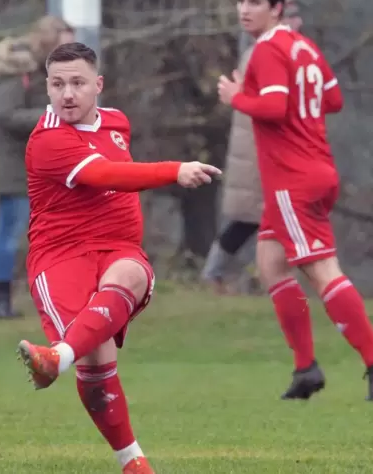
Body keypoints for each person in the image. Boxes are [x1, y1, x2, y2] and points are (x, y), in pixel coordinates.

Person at [16, 42, 221, 474]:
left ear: (98, 85)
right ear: (47, 89)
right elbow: (107, 175)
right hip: (61, 258)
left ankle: (56, 359)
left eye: (77, 83)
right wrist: (174, 170)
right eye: (57, 84)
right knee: (96, 367)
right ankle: (131, 460)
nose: (67, 94)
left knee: (132, 274)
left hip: (117, 250)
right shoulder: (48, 140)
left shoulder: (116, 123)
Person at [218, 0, 373, 401]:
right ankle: (306, 369)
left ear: (277, 8)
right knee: (271, 264)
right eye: (241, 1)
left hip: (293, 180)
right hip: (315, 171)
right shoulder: (303, 46)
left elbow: (273, 106)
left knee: (322, 270)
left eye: (254, 2)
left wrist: (236, 97)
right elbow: (334, 99)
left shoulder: (267, 50)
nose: (244, 10)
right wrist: (303, 119)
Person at [202, 0, 303, 294]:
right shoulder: (271, 52)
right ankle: (223, 275)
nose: (299, 24)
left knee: (259, 220)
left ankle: (256, 278)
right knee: (257, 219)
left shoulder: (276, 50)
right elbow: (271, 106)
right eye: (294, 17)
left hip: (264, 150)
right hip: (263, 151)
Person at [0, 15, 75, 318]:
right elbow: (6, 115)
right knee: (10, 232)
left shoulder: (44, 73)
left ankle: (58, 296)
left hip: (40, 166)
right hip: (13, 167)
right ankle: (0, 300)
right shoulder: (18, 70)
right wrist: (51, 114)